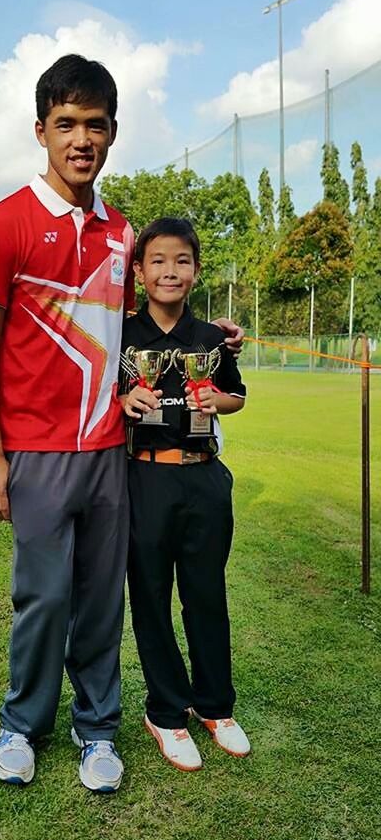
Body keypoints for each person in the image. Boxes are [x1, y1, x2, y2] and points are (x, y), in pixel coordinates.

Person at [0, 54, 244, 793]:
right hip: (36, 450)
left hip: (110, 449)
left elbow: (142, 320)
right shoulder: (2, 224)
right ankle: (22, 724)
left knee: (98, 599)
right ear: (41, 131)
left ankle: (97, 730)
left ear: (112, 133)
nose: (80, 138)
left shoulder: (121, 233)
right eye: (65, 124)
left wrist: (209, 335)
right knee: (44, 597)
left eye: (94, 124)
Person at [120, 217, 250, 772]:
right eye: (157, 261)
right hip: (145, 477)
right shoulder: (123, 336)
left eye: (181, 261)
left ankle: (215, 705)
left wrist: (216, 401)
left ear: (196, 271)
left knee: (206, 593)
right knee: (150, 596)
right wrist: (123, 405)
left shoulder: (212, 339)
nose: (169, 271)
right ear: (139, 271)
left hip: (204, 477)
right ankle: (166, 712)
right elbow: (101, 398)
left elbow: (237, 396)